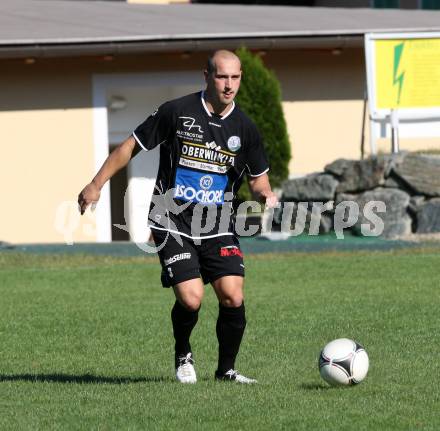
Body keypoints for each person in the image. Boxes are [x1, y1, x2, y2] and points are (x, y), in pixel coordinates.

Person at [78, 50, 278, 384]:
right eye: (222, 77)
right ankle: (183, 353)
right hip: (172, 220)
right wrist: (96, 184)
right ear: (207, 76)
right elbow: (129, 147)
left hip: (217, 225)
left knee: (233, 295)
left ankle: (226, 370)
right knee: (191, 298)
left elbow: (259, 178)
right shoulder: (177, 112)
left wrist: (265, 194)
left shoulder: (246, 128)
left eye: (235, 77)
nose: (229, 85)